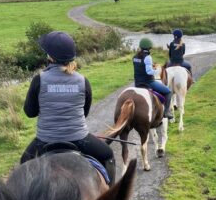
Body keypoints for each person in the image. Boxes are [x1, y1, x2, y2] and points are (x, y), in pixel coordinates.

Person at [20, 31, 115, 183]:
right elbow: (85, 113)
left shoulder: (39, 79)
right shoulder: (83, 81)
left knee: (23, 164)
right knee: (108, 155)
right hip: (79, 138)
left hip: (45, 139)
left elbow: (30, 112)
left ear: (50, 57)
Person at [133, 38, 174, 119]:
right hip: (148, 82)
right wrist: (157, 70)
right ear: (149, 47)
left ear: (140, 46)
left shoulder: (135, 57)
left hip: (138, 83)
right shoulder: (147, 57)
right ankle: (166, 112)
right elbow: (148, 71)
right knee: (168, 92)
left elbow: (141, 68)